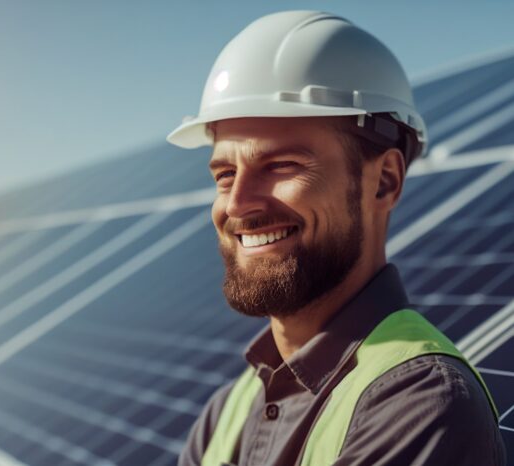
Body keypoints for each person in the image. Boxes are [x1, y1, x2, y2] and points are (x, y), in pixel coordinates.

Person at [167, 10, 506, 466]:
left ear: (384, 181)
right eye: (225, 175)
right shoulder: (226, 412)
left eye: (282, 166)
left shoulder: (422, 402)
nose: (238, 204)